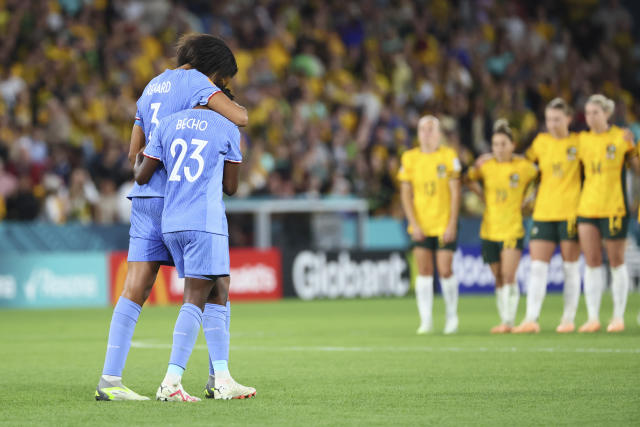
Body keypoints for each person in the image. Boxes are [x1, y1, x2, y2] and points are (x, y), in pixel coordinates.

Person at [96, 34, 248, 401]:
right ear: (215, 71)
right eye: (223, 80)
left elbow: (135, 153)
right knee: (215, 285)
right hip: (184, 199)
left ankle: (110, 381)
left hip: (146, 198)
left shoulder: (150, 86)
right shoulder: (198, 81)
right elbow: (240, 118)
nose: (222, 87)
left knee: (134, 290)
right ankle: (217, 378)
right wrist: (221, 102)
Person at [135, 105, 255, 401]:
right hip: (204, 220)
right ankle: (171, 381)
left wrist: (137, 156)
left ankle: (222, 378)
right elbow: (231, 186)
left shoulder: (167, 123)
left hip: (172, 220)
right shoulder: (226, 126)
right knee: (196, 297)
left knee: (218, 290)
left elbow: (141, 175)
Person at [512, 98, 582, 334]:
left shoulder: (579, 143)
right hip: (543, 211)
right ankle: (531, 318)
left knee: (570, 267)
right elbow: (524, 166)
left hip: (571, 211)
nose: (552, 124)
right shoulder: (540, 142)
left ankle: (568, 318)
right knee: (537, 267)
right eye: (549, 119)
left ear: (568, 119)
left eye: (557, 119)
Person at [466, 119, 538, 333]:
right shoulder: (485, 166)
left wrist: (530, 198)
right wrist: (481, 195)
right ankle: (503, 319)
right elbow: (468, 178)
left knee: (508, 275)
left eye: (503, 144)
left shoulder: (524, 167)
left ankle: (509, 321)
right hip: (489, 228)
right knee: (497, 276)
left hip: (512, 227)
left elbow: (542, 177)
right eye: (495, 144)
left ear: (513, 145)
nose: (499, 148)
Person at [576, 94, 639, 333]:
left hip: (614, 206)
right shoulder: (581, 140)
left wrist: (633, 146)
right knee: (592, 262)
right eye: (588, 113)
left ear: (607, 114)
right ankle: (593, 317)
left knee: (616, 261)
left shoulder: (621, 137)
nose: (591, 117)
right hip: (587, 206)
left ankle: (618, 317)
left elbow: (637, 170)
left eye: (596, 113)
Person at [398, 116, 461, 335]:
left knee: (445, 270)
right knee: (424, 272)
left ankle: (451, 317)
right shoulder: (409, 158)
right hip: (421, 224)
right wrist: (413, 223)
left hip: (444, 222)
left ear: (439, 133)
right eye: (422, 129)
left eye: (431, 129)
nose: (426, 133)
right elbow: (406, 194)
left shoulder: (449, 156)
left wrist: (452, 223)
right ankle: (426, 320)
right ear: (418, 133)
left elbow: (455, 193)